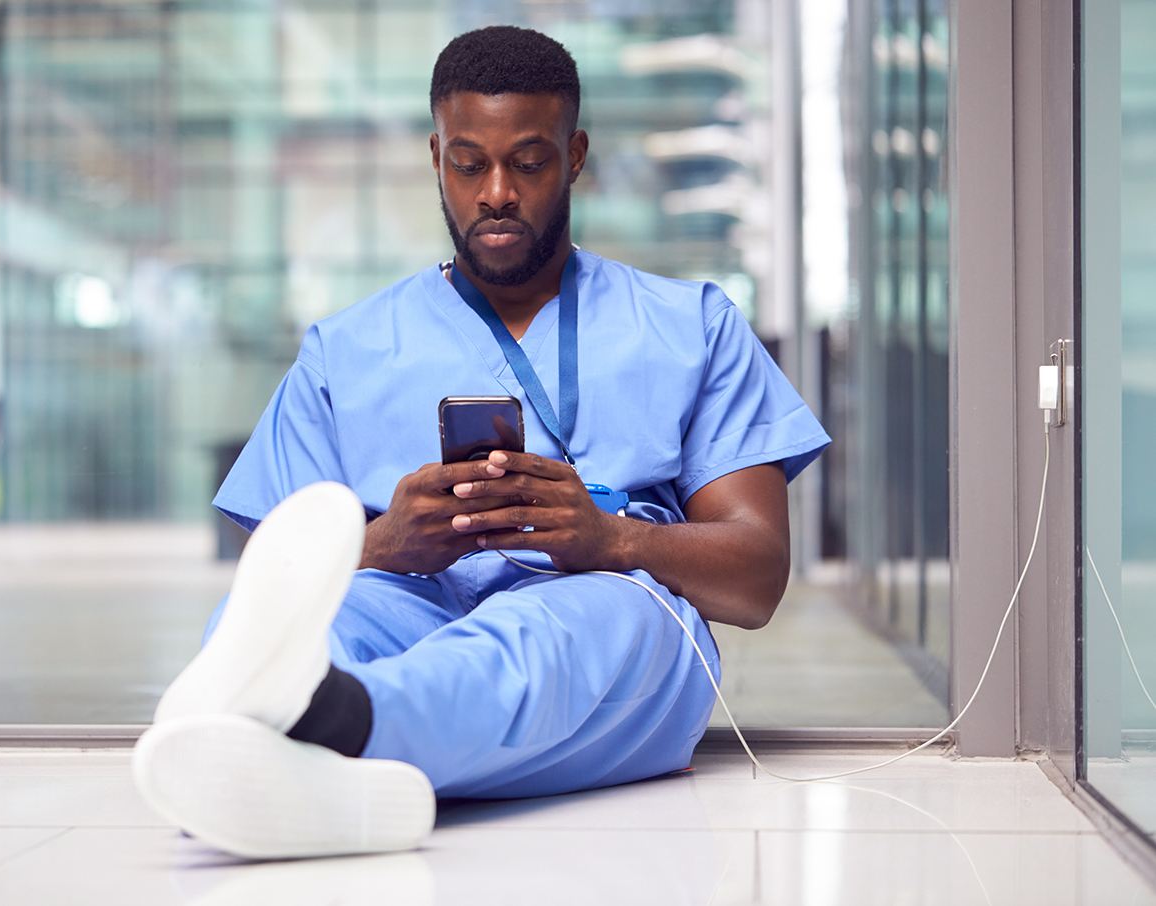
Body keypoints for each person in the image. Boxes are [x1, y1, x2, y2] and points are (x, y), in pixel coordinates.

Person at [132, 24, 830, 860]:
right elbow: (273, 574)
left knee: (561, 628)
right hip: (416, 602)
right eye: (468, 164)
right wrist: (388, 544)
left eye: (528, 163)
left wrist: (610, 539)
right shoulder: (345, 349)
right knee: (322, 615)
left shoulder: (693, 327)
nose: (496, 192)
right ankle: (319, 771)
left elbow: (756, 579)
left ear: (574, 157)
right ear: (437, 159)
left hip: (608, 623)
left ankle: (326, 731)